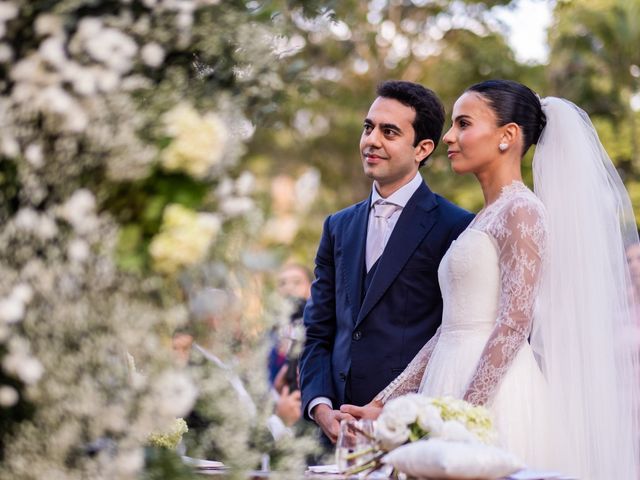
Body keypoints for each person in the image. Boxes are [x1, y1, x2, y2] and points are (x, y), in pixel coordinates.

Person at [343, 79, 640, 478]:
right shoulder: (484, 216)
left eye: (463, 123)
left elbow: (515, 323)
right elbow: (447, 330)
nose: (449, 136)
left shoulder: (521, 210)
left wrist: (465, 418)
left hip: (496, 398)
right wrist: (385, 401)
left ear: (507, 136)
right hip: (447, 381)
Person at [299, 80, 474, 443]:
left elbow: (451, 335)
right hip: (335, 433)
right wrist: (320, 405)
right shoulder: (337, 226)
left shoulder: (456, 225)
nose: (372, 140)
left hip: (411, 430)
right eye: (368, 127)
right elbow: (318, 330)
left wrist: (396, 408)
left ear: (422, 148)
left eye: (389, 132)